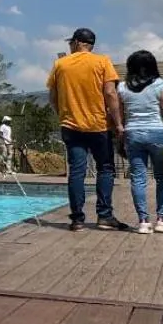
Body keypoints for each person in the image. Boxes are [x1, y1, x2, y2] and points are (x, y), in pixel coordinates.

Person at [47, 28, 128, 231]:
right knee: (106, 169)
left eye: (70, 44)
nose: (69, 47)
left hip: (71, 126)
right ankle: (104, 216)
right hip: (98, 125)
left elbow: (53, 98)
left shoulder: (60, 64)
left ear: (77, 42)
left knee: (77, 171)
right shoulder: (102, 62)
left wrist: (64, 115)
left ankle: (77, 220)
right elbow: (110, 93)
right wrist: (118, 123)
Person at [116, 49, 163, 233]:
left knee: (138, 179)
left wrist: (121, 137)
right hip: (157, 134)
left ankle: (143, 222)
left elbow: (120, 117)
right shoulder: (160, 84)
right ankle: (162, 220)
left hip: (133, 134)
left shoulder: (122, 87)